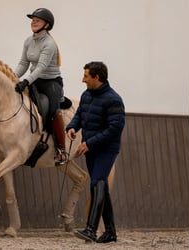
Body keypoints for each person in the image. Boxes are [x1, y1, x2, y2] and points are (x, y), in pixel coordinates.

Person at [66, 61, 125, 243]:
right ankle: (110, 232)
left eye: (86, 76)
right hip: (91, 149)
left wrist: (89, 143)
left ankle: (91, 230)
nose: (83, 80)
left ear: (96, 77)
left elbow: (115, 128)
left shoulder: (114, 99)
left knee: (97, 183)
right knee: (102, 187)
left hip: (106, 149)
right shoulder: (86, 95)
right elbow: (79, 115)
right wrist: (72, 126)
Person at [14, 8, 68, 165]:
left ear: (47, 24)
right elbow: (24, 63)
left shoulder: (49, 44)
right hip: (35, 79)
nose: (33, 22)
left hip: (51, 82)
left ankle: (61, 150)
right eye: (32, 19)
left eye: (37, 20)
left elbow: (41, 68)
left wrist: (26, 81)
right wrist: (12, 77)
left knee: (53, 111)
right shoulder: (28, 41)